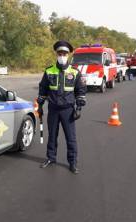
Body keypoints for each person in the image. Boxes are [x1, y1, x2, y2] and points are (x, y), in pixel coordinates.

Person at [37, 40, 87, 174]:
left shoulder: (75, 72)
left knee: (71, 138)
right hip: (53, 109)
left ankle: (73, 163)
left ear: (68, 55)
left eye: (65, 53)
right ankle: (51, 158)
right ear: (56, 54)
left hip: (68, 111)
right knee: (52, 136)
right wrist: (40, 106)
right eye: (60, 53)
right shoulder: (49, 71)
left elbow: (80, 91)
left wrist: (79, 108)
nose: (62, 55)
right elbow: (43, 90)